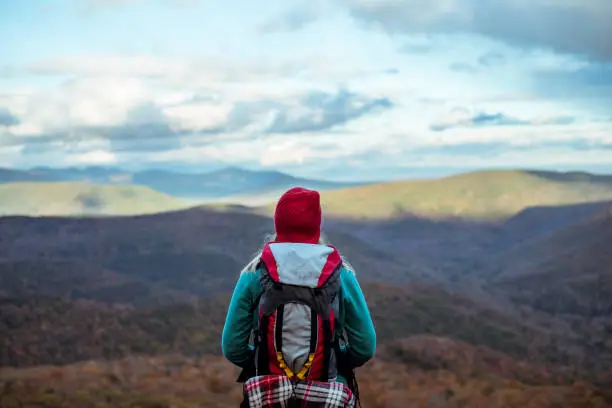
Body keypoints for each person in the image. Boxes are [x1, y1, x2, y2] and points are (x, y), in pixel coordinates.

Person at [221, 186, 376, 407]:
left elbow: (232, 347)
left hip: (268, 394)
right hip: (328, 393)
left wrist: (263, 357)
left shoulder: (253, 274)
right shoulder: (342, 276)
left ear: (278, 224)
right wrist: (333, 358)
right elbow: (365, 347)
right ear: (316, 226)